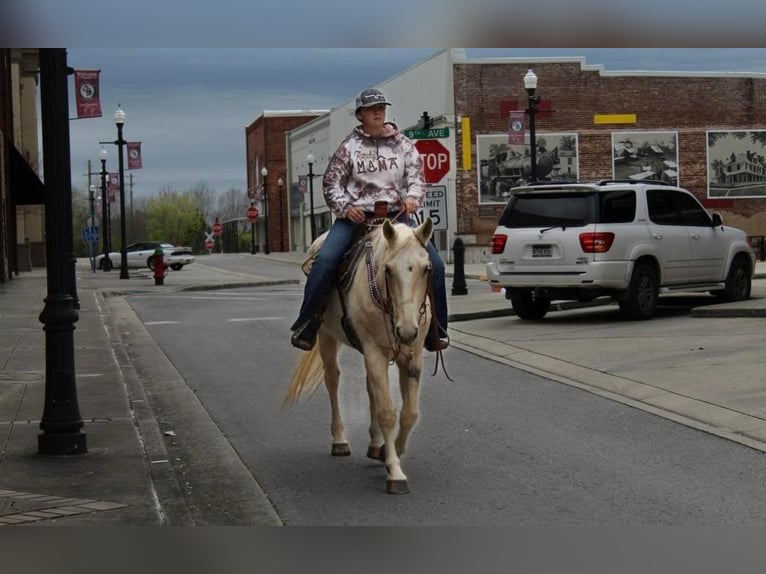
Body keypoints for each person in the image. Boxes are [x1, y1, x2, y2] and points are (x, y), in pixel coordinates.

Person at [290, 87, 449, 353]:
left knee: (435, 264)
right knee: (326, 259)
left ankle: (437, 330)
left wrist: (412, 198)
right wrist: (344, 207)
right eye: (372, 109)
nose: (378, 112)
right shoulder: (348, 148)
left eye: (381, 108)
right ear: (360, 114)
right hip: (356, 218)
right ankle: (308, 323)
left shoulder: (403, 145)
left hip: (397, 219)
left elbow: (418, 179)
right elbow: (331, 184)